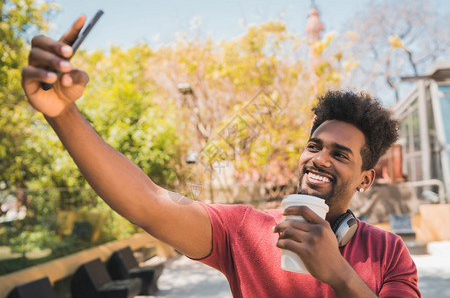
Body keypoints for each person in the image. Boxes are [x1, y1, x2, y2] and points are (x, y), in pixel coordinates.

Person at [22, 16, 420, 298]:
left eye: (339, 154)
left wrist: (338, 274)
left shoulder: (388, 252)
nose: (319, 158)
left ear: (366, 178)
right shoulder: (244, 230)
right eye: (314, 146)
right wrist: (62, 114)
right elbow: (150, 204)